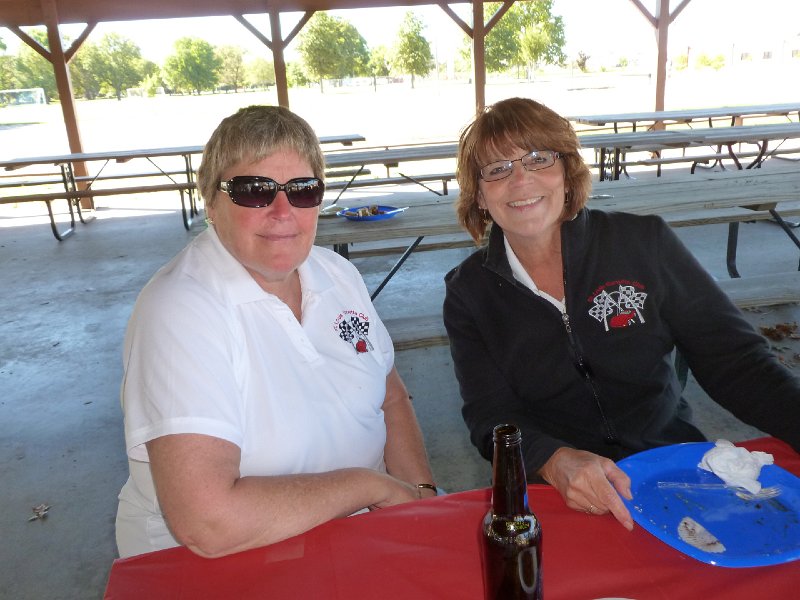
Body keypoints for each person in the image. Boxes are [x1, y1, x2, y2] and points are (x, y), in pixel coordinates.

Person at [443, 97, 800, 530]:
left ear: (567, 171)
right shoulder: (469, 293)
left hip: (674, 470)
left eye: (538, 158)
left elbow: (736, 362)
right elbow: (490, 415)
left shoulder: (643, 242)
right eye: (497, 169)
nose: (520, 179)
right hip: (559, 496)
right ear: (479, 197)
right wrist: (553, 461)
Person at [115, 105, 436, 558]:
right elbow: (208, 522)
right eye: (254, 191)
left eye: (303, 190)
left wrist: (421, 495)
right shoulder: (180, 308)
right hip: (223, 567)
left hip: (348, 542)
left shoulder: (337, 274)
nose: (283, 211)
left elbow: (390, 397)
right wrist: (370, 487)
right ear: (210, 201)